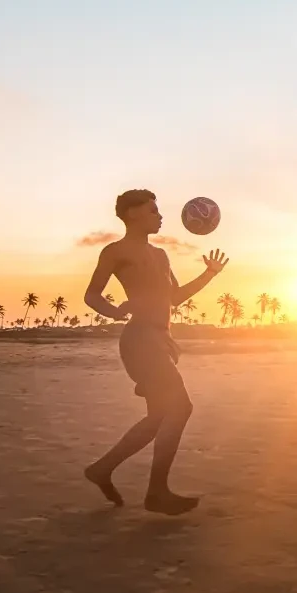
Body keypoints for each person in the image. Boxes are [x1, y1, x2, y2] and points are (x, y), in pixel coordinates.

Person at [82, 189, 228, 515]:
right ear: (132, 214)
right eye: (153, 211)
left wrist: (209, 273)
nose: (160, 216)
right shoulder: (116, 251)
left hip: (159, 340)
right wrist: (114, 311)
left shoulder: (161, 256)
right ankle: (157, 492)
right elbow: (92, 295)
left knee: (159, 416)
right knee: (181, 408)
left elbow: (175, 297)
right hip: (139, 340)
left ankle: (102, 469)